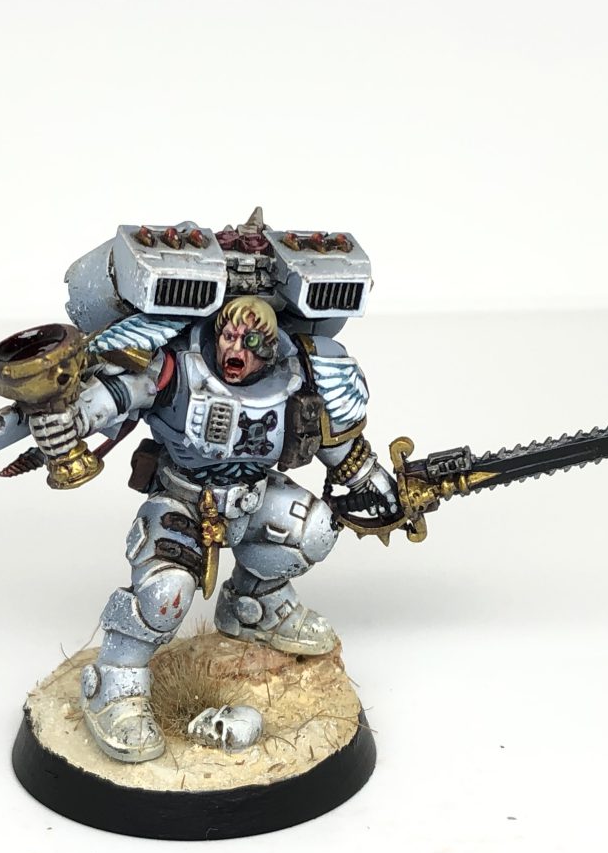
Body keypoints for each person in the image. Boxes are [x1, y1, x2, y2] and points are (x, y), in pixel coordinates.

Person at [29, 296, 399, 762]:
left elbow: (339, 445)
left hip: (255, 498)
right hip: (183, 499)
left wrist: (371, 482)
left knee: (316, 527)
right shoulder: (175, 367)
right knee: (165, 592)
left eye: (253, 343)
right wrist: (71, 420)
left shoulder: (301, 372)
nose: (236, 350)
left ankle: (254, 605)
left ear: (272, 348)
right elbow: (117, 395)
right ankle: (114, 680)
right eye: (229, 336)